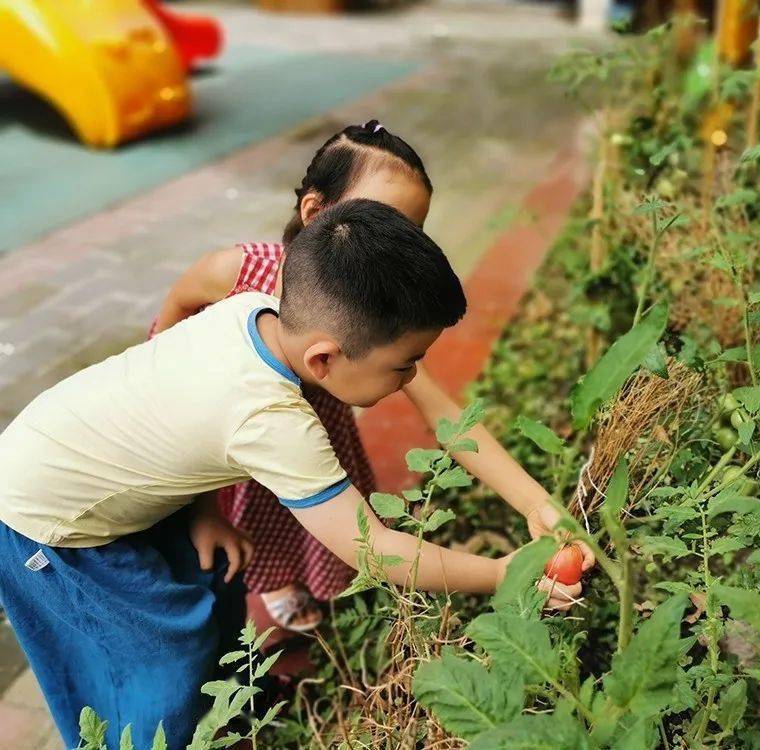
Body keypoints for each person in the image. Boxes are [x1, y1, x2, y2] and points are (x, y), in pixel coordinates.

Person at [0, 200, 583, 748]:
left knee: (212, 587)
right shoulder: (273, 420)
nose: (409, 379)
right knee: (152, 672)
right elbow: (374, 549)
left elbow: (179, 407)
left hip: (90, 469)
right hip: (47, 523)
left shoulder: (253, 308)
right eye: (403, 365)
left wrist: (205, 510)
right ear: (324, 359)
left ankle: (227, 708)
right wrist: (503, 575)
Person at [154, 120, 591, 631]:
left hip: (306, 435)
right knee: (243, 514)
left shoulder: (375, 316)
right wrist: (203, 508)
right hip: (224, 435)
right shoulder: (234, 274)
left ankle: (296, 577)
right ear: (317, 212)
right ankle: (272, 582)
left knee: (303, 517)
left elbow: (446, 416)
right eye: (380, 221)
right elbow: (170, 331)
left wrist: (535, 502)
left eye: (411, 234)